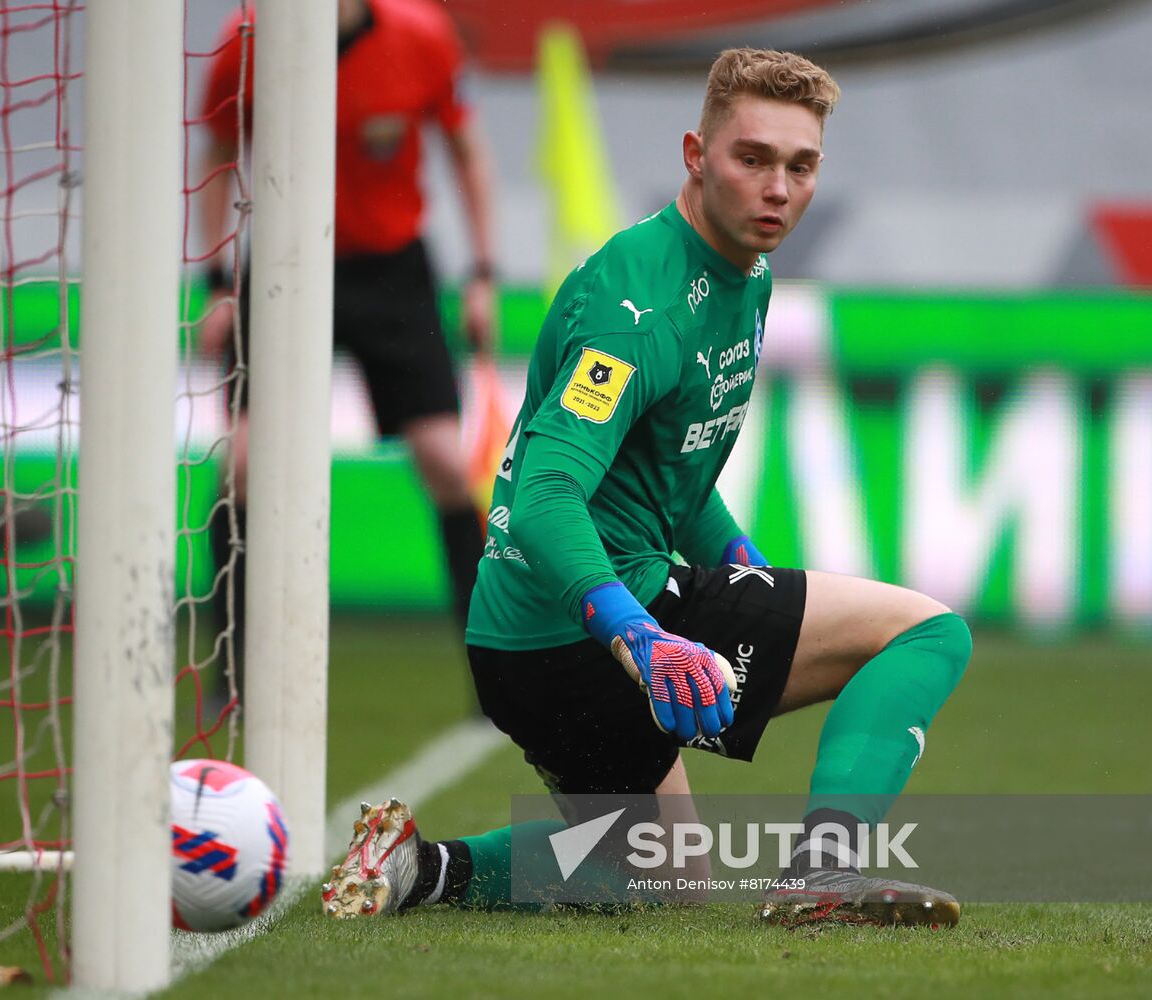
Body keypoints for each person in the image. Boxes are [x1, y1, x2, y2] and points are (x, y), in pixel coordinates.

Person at [322, 48, 973, 927]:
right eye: (752, 159)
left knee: (666, 880)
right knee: (929, 635)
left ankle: (420, 868)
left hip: (519, 643)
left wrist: (748, 572)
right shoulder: (642, 310)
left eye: (801, 165)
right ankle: (826, 873)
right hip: (588, 615)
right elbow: (548, 489)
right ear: (695, 155)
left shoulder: (742, 276)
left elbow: (675, 471)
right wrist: (634, 632)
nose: (777, 187)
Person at [198, 0, 496, 691]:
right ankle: (232, 673)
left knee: (447, 464)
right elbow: (216, 153)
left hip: (392, 270)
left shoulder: (421, 36)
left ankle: (496, 671)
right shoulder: (245, 41)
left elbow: (468, 153)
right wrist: (215, 280)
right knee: (240, 465)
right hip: (280, 266)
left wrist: (482, 274)